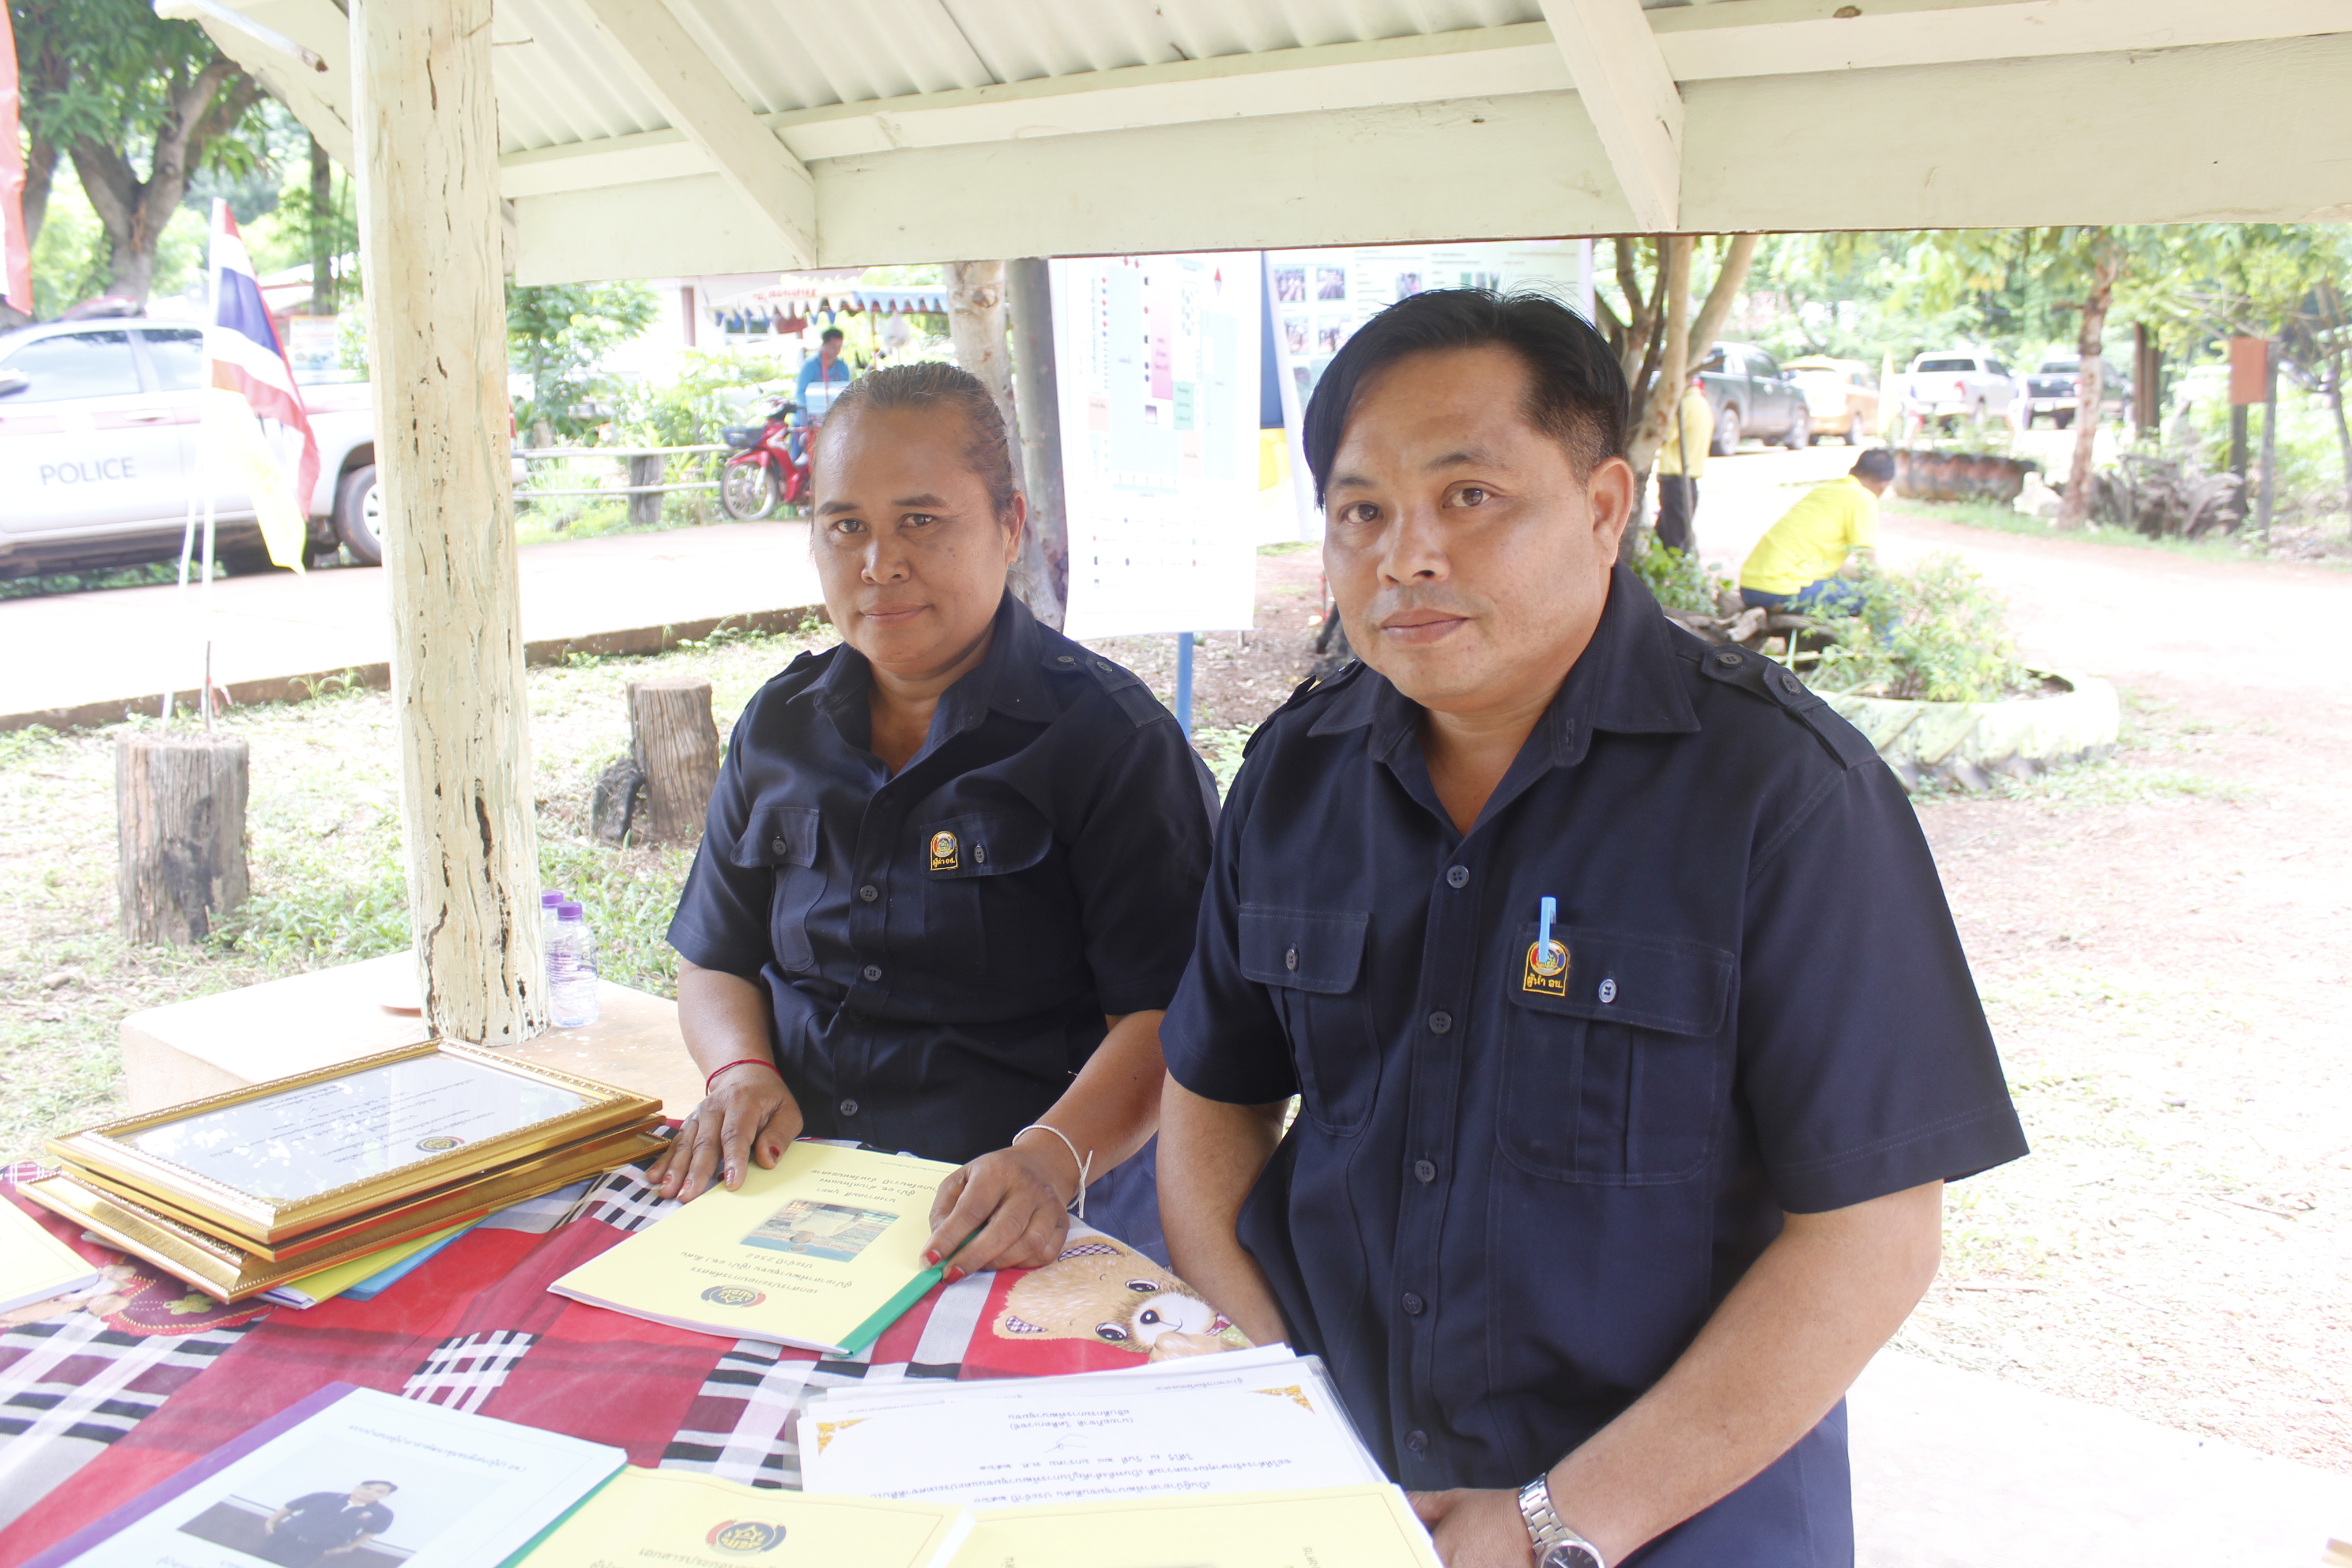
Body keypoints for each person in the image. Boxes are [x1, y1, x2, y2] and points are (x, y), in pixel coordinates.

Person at [1157, 291, 2025, 1568]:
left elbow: (1872, 1232)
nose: (1406, 556)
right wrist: (1274, 1398)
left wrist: (1558, 1519)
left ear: (1608, 505)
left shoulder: (1780, 796)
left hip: (1666, 1506)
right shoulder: (1295, 770)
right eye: (1362, 511)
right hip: (1339, 1482)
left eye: (1470, 496)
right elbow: (1211, 1095)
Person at [652, 362, 1217, 1273]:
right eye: (846, 527)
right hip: (798, 1203)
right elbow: (715, 957)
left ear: (1009, 526)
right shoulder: (780, 726)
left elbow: (1171, 1014)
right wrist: (740, 1072)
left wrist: (1046, 1160)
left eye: (921, 520)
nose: (881, 565)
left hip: (1032, 1217)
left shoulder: (1111, 742)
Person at [1737, 449, 1894, 615]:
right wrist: (1897, 583)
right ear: (1883, 486)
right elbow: (1867, 566)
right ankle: (1890, 642)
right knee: (1884, 595)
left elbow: (1833, 567)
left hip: (1751, 587)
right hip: (1781, 590)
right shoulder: (1862, 497)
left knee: (1841, 585)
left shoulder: (1827, 490)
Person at [257, 1481, 396, 1566]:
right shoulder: (325, 1497)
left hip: (313, 1549)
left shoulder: (383, 1514)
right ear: (357, 1487)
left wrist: (349, 1548)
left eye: (379, 1492)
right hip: (284, 1538)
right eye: (367, 1488)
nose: (370, 1493)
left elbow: (370, 1533)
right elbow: (290, 1507)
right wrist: (271, 1522)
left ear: (386, 1496)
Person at [1651, 376, 1712, 554]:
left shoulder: (1684, 406)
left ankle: (1679, 574)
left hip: (1676, 479)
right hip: (1688, 478)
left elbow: (1663, 437)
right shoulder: (1701, 403)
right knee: (1667, 532)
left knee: (1676, 539)